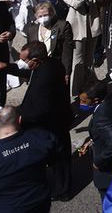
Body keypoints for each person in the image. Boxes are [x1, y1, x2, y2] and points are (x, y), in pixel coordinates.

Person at [14, 40, 73, 200]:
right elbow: (30, 74)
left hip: (53, 124)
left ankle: (61, 191)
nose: (23, 63)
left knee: (58, 159)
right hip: (57, 120)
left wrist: (21, 119)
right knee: (58, 159)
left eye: (25, 60)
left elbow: (42, 110)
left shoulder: (45, 78)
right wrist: (7, 67)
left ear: (35, 60)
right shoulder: (51, 63)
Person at [78, 82, 112, 195]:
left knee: (110, 197)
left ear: (96, 100)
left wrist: (99, 162)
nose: (81, 103)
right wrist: (92, 140)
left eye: (84, 101)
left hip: (111, 168)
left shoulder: (101, 116)